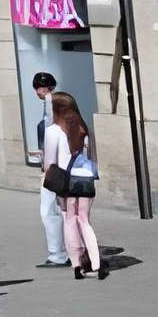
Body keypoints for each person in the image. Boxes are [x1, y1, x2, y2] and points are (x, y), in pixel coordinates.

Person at [50, 94, 105, 277]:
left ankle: (77, 264)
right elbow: (93, 159)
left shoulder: (55, 131)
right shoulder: (85, 129)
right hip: (85, 179)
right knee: (84, 220)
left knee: (69, 219)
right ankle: (95, 264)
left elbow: (50, 162)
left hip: (65, 181)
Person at [25, 73, 69, 267]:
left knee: (49, 211)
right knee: (63, 211)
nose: (39, 91)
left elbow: (53, 138)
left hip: (54, 169)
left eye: (41, 88)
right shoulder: (61, 106)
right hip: (60, 166)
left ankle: (58, 255)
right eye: (37, 87)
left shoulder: (52, 108)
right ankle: (71, 251)